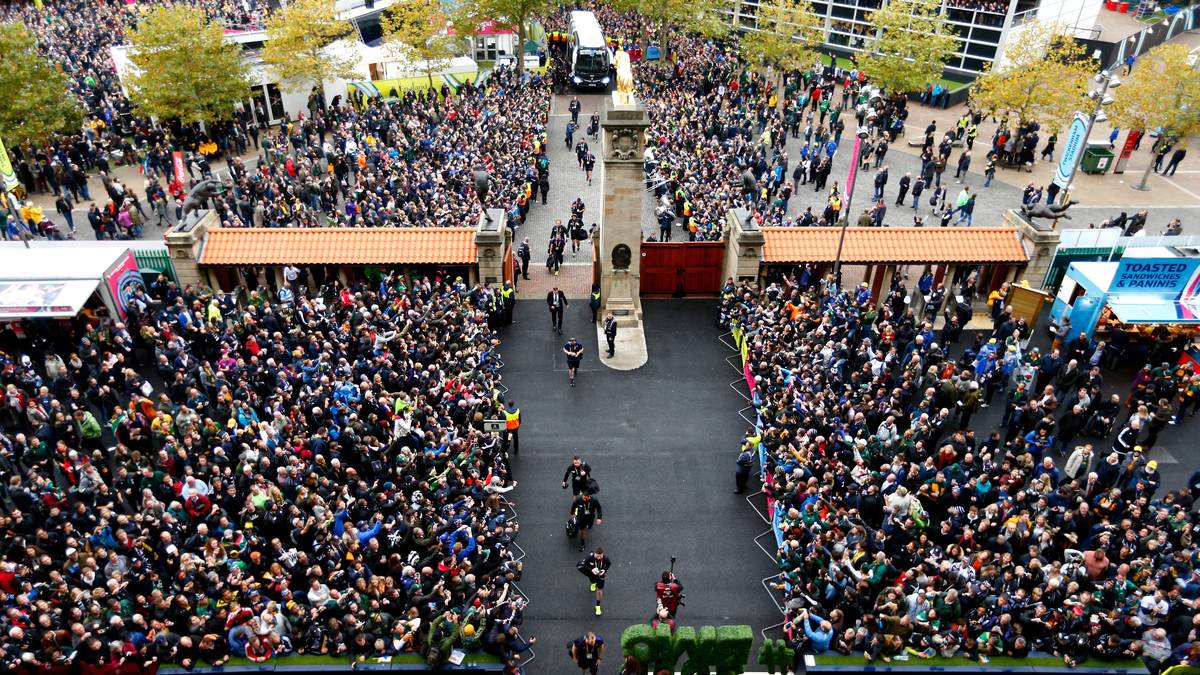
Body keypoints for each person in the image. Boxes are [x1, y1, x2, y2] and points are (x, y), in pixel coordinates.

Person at [577, 547, 610, 615]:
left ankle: (597, 606)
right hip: (591, 573)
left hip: (600, 575)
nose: (599, 557)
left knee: (600, 591)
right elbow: (581, 564)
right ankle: (593, 583)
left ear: (603, 554)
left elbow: (609, 564)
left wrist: (604, 570)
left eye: (600, 556)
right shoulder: (590, 557)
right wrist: (591, 570)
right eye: (597, 556)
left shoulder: (606, 559)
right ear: (595, 554)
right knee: (592, 580)